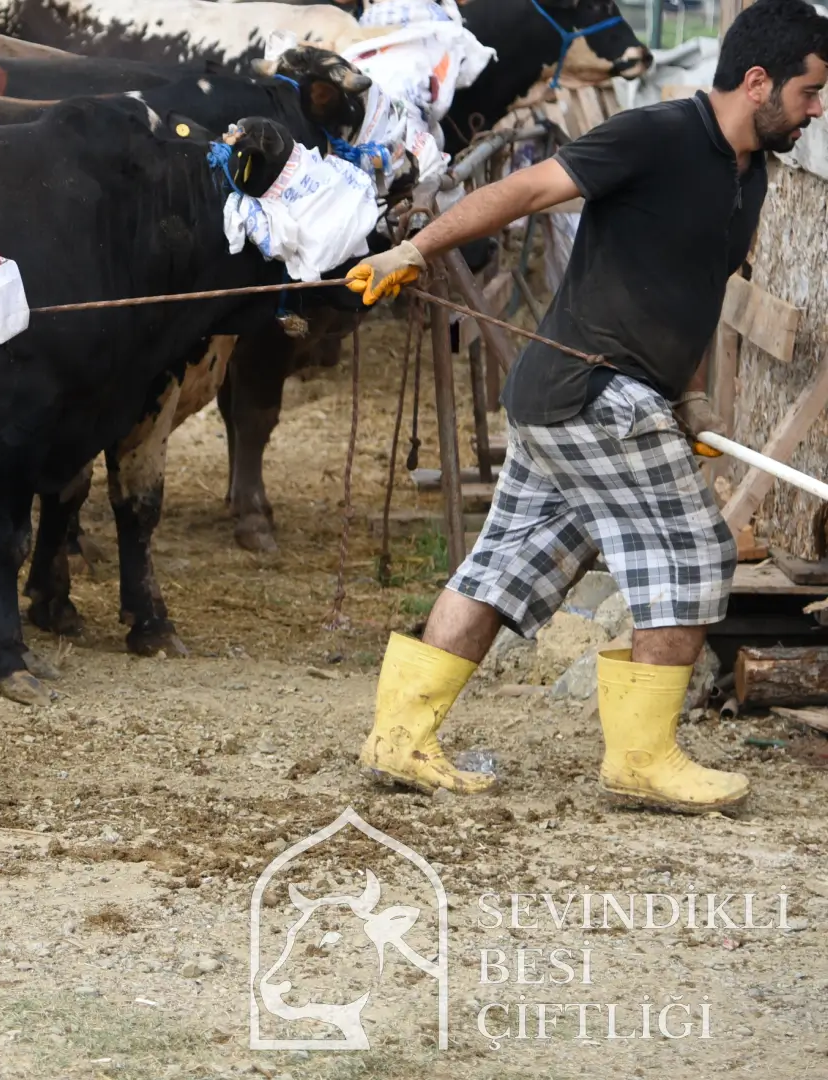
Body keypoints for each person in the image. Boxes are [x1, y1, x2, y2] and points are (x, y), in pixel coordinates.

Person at [346, 0, 828, 815]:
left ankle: (400, 738)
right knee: (695, 549)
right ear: (758, 82)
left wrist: (694, 397)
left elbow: (691, 294)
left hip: (576, 402)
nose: (817, 111)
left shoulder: (752, 177)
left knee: (502, 565)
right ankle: (642, 758)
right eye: (811, 93)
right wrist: (415, 247)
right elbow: (526, 189)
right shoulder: (657, 136)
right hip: (593, 393)